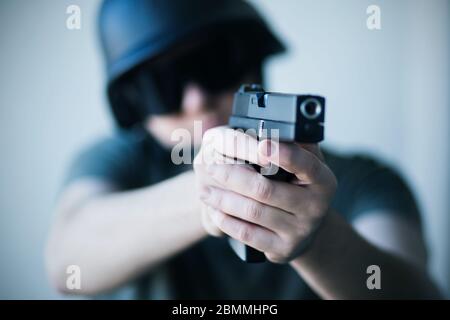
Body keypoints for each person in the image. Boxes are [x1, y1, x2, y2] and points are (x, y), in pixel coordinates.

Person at [46, 0, 441, 299]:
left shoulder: (362, 180)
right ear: (132, 106)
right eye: (161, 84)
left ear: (251, 61)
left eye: (213, 63)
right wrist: (209, 197)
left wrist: (316, 239)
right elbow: (68, 263)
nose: (196, 99)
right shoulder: (122, 160)